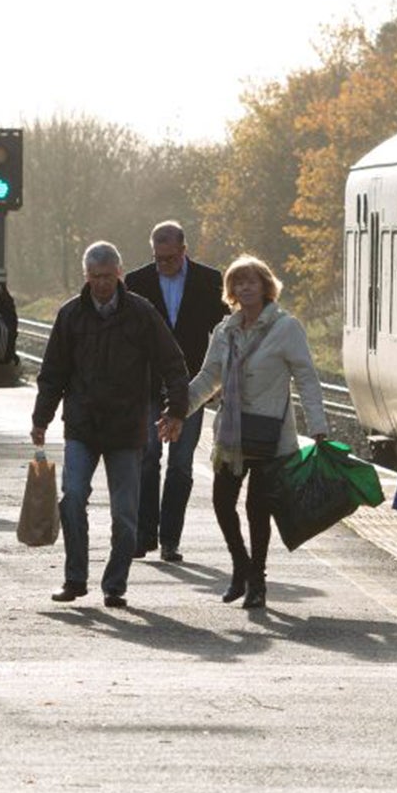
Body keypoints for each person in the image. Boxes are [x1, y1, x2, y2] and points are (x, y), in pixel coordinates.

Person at [32, 241, 189, 608]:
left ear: (119, 273)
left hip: (127, 428)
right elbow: (53, 372)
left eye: (107, 276)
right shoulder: (71, 314)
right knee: (72, 499)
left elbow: (173, 363)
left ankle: (115, 584)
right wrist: (42, 418)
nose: (101, 284)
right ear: (86, 276)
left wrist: (176, 410)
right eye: (94, 277)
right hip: (83, 425)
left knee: (125, 514)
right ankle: (75, 578)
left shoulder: (141, 313)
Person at [182, 255, 327, 610]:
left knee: (257, 509)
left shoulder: (286, 328)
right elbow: (207, 379)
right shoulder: (225, 330)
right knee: (221, 503)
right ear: (231, 291)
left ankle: (257, 580)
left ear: (266, 286)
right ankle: (240, 566)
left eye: (252, 282)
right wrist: (177, 411)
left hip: (269, 435)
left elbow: (306, 378)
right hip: (231, 436)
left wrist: (319, 428)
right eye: (238, 283)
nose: (245, 288)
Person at [124, 221, 227, 563]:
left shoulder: (210, 282)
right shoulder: (137, 283)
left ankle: (170, 540)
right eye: (157, 258)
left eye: (169, 258)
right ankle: (144, 535)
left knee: (181, 465)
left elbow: (227, 332)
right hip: (148, 387)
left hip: (191, 389)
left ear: (184, 250)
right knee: (147, 459)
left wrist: (220, 379)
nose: (162, 264)